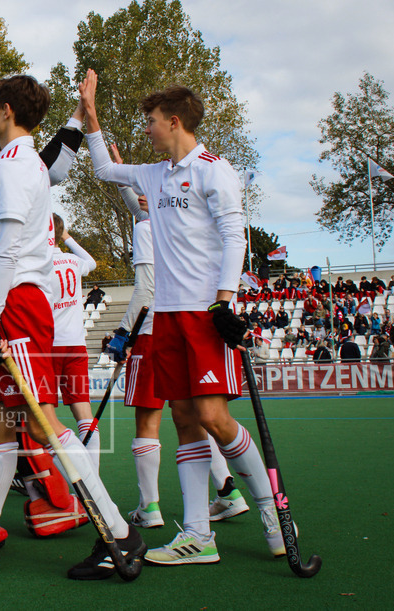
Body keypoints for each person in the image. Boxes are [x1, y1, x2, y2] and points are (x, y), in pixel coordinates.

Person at [0, 74, 141, 578]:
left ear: (3, 110)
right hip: (18, 303)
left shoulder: (16, 166)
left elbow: (5, 247)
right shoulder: (16, 164)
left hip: (16, 306)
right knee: (3, 426)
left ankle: (120, 535)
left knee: (44, 424)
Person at [84, 71, 283, 566]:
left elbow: (236, 238)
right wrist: (90, 117)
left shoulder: (216, 170)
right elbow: (107, 171)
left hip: (204, 314)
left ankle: (272, 512)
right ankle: (198, 535)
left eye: (151, 121)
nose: (146, 129)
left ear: (174, 122)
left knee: (214, 417)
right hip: (167, 317)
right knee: (182, 418)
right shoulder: (153, 173)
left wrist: (225, 300)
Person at [49, 215, 101, 470]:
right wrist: (67, 237)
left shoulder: (39, 263)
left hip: (48, 348)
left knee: (42, 416)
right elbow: (91, 261)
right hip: (75, 346)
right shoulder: (73, 261)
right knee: (84, 415)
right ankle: (96, 482)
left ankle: (44, 478)